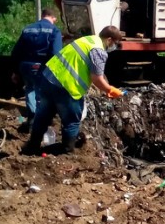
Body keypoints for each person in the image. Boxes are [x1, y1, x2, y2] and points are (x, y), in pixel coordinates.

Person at [22, 25, 125, 156]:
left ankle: (32, 146)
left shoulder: (87, 39)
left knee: (43, 114)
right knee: (71, 119)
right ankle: (67, 150)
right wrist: (110, 90)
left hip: (49, 78)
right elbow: (97, 78)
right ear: (109, 40)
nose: (114, 46)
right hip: (67, 86)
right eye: (115, 43)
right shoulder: (99, 50)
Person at [10, 8, 63, 133]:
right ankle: (41, 122)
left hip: (25, 65)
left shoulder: (28, 28)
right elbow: (56, 54)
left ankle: (32, 116)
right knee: (43, 94)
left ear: (43, 15)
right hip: (41, 66)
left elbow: (16, 51)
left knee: (30, 89)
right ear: (53, 18)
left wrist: (15, 71)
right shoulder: (54, 31)